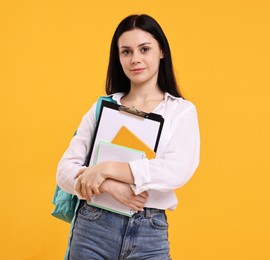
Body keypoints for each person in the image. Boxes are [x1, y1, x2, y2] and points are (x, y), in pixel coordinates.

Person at [56, 14, 200, 259]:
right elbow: (64, 171)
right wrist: (108, 186)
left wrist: (106, 168)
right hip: (93, 227)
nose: (135, 59)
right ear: (119, 57)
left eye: (144, 49)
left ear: (161, 51)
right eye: (126, 52)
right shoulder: (103, 107)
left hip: (149, 232)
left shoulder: (180, 111)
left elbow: (176, 170)